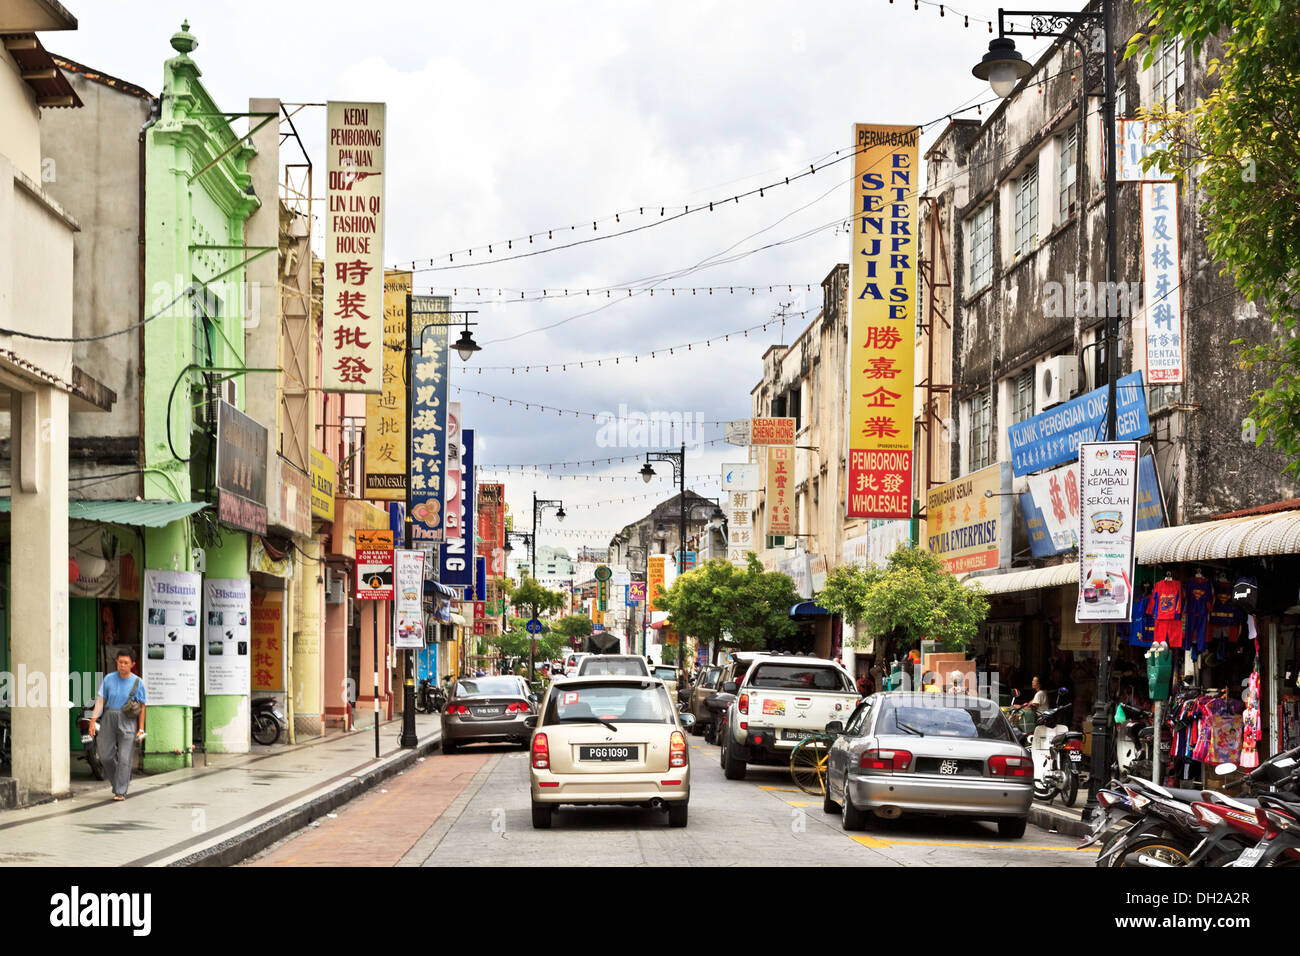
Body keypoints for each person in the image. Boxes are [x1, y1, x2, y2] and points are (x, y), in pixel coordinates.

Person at [88, 647, 146, 801]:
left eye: (126, 663)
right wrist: (93, 720)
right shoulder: (109, 679)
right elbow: (101, 701)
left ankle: (120, 790)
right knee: (105, 756)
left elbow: (142, 707)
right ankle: (121, 780)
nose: (122, 665)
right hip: (109, 717)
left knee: (125, 758)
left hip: (128, 721)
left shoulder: (137, 682)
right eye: (120, 662)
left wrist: (141, 729)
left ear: (132, 664)